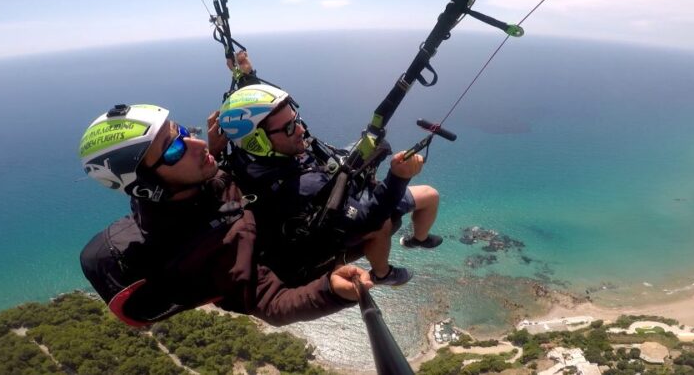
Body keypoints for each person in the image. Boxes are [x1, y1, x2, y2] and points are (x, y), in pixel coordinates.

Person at [78, 103, 372, 327]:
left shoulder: (172, 194)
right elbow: (271, 303)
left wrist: (216, 151)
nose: (198, 143)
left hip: (265, 216)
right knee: (383, 218)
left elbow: (213, 184)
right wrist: (331, 291)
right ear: (146, 186)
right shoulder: (211, 247)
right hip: (292, 259)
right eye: (174, 150)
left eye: (182, 131)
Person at [217, 54, 443, 287]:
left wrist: (247, 78)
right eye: (289, 127)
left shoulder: (247, 155)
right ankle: (384, 272)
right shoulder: (303, 187)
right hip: (330, 221)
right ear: (260, 141)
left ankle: (418, 239)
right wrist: (398, 178)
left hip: (323, 178)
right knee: (419, 202)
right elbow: (371, 217)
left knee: (376, 144)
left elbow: (256, 118)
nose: (301, 129)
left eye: (297, 119)